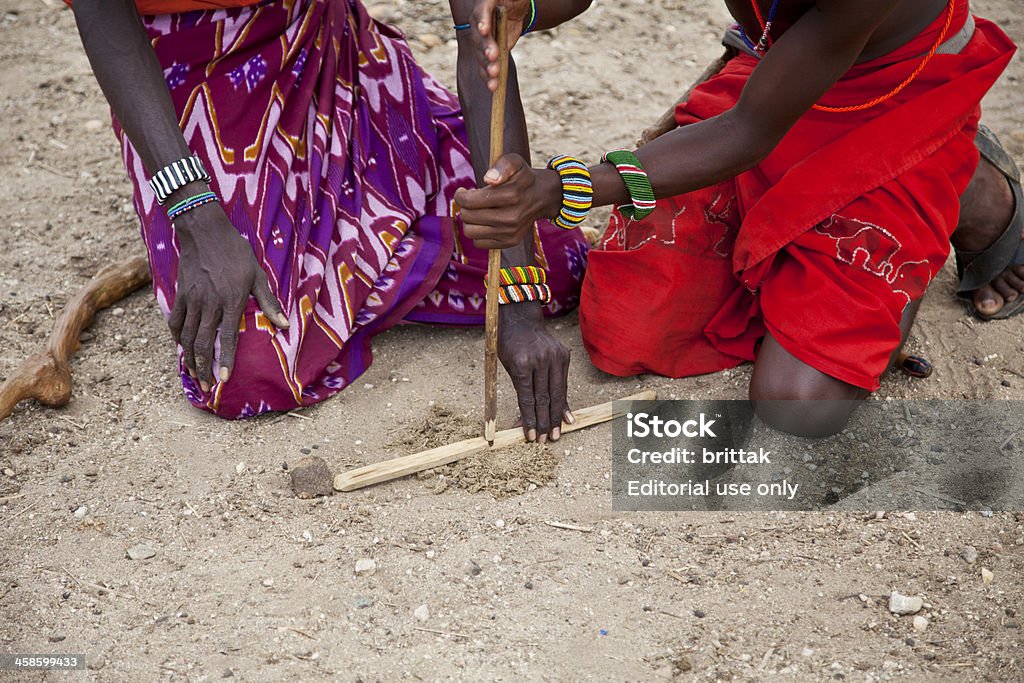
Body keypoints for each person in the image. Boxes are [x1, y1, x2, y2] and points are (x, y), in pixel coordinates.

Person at [458, 0, 1018, 436]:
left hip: (892, 89)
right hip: (781, 72)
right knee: (625, 330)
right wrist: (515, 10)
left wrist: (560, 187)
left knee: (797, 406)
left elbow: (748, 132)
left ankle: (952, 169)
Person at [69, 0, 592, 441]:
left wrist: (518, 303)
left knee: (561, 266)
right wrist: (196, 215)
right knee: (249, 366)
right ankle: (360, 240)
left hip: (322, 47)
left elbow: (484, 26)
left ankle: (358, 242)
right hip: (186, 67)